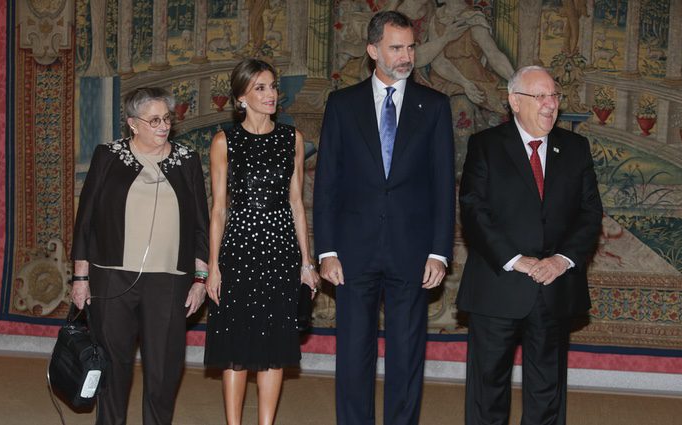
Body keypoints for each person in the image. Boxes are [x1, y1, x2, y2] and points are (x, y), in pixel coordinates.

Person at [313, 11, 455, 425]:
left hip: (413, 253)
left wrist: (439, 252)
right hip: (353, 253)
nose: (406, 55)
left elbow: (445, 185)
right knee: (353, 356)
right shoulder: (342, 104)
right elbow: (327, 184)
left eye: (410, 46)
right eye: (396, 47)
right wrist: (327, 250)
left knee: (407, 356)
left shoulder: (435, 106)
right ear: (373, 50)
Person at [457, 65, 603, 425]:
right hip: (497, 285)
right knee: (487, 390)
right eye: (540, 96)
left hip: (555, 287)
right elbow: (474, 210)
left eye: (554, 96)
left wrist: (561, 260)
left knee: (546, 392)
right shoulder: (485, 145)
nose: (550, 104)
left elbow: (590, 214)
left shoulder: (576, 148)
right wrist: (514, 259)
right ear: (514, 102)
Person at [70, 87, 210, 425]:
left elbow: (201, 226)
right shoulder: (108, 155)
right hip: (111, 277)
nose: (164, 126)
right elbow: (85, 219)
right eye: (154, 120)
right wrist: (80, 277)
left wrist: (201, 278)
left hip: (169, 280)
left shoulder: (187, 160)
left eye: (167, 119)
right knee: (113, 365)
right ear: (133, 124)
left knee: (164, 367)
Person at [204, 58, 320, 425]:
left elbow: (297, 204)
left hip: (282, 252)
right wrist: (213, 267)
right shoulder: (225, 141)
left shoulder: (293, 139)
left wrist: (306, 263)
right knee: (236, 345)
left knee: (274, 345)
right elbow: (219, 209)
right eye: (260, 88)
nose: (271, 94)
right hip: (238, 251)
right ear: (241, 97)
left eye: (272, 86)